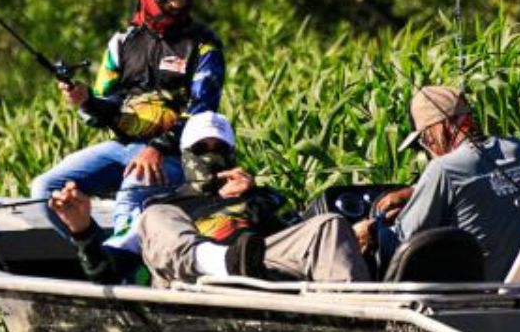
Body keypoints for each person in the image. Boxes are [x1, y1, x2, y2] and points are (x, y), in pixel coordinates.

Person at [30, 0, 225, 250]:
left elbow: (201, 113)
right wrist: (85, 101)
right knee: (45, 189)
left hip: (178, 155)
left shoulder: (204, 46)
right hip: (124, 147)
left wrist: (157, 147)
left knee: (133, 188)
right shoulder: (121, 43)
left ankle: (121, 268)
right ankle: (100, 254)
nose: (178, 2)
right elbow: (100, 112)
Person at [48, 111, 370, 288]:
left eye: (220, 150)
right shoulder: (166, 206)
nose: (211, 157)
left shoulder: (257, 195)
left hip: (262, 268)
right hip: (196, 284)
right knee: (154, 215)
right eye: (202, 150)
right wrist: (82, 229)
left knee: (330, 224)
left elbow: (300, 235)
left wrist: (257, 197)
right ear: (186, 157)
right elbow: (105, 271)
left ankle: (360, 330)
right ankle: (223, 263)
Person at [361, 86, 520, 281]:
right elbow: (484, 186)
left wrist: (372, 228)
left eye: (423, 140)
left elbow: (400, 241)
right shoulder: (519, 151)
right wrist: (415, 192)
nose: (427, 149)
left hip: (474, 292)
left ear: (439, 129)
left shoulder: (444, 168)